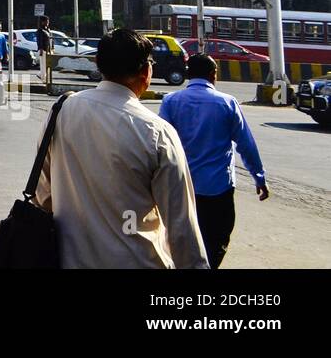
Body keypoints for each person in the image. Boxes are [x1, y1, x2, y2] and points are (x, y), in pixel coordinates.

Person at [35, 28, 208, 269]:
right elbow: (181, 226)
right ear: (146, 71)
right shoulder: (156, 132)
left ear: (97, 64)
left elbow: (43, 196)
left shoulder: (61, 111)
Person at [159, 54, 269, 269]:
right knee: (217, 240)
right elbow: (246, 144)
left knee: (182, 240)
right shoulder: (227, 102)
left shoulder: (171, 101)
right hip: (218, 188)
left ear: (189, 74)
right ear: (213, 75)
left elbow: (162, 145)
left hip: (183, 188)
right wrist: (259, 177)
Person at [36, 15, 53, 82]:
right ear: (42, 22)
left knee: (48, 65)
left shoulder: (48, 30)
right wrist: (40, 49)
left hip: (49, 49)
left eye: (48, 21)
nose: (47, 23)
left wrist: (52, 48)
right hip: (43, 50)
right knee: (43, 65)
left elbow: (51, 40)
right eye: (46, 21)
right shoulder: (40, 30)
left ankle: (41, 75)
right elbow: (39, 40)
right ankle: (43, 79)